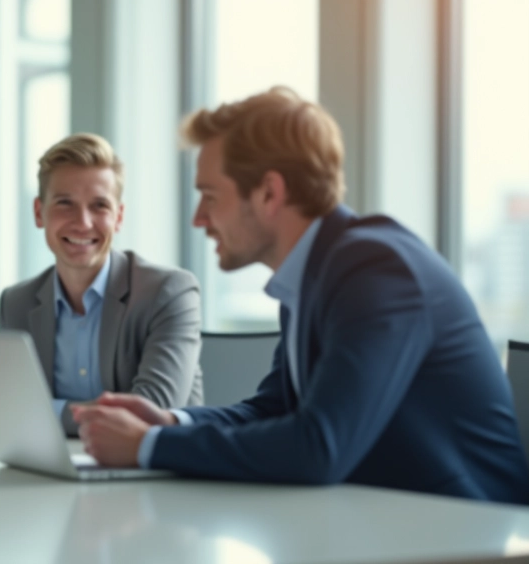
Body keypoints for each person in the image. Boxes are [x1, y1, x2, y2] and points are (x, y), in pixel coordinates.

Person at [74, 87, 529, 504]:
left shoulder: (376, 271)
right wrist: (169, 422)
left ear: (269, 192)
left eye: (210, 196)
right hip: (386, 522)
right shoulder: (318, 272)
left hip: (468, 532)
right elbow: (275, 409)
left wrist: (148, 447)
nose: (199, 218)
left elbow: (318, 446)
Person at [0, 133, 203, 436]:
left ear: (118, 217)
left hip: (156, 473)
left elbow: (152, 410)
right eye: (65, 203)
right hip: (54, 474)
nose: (83, 222)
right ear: (39, 212)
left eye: (99, 206)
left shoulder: (169, 292)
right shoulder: (17, 303)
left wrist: (44, 413)